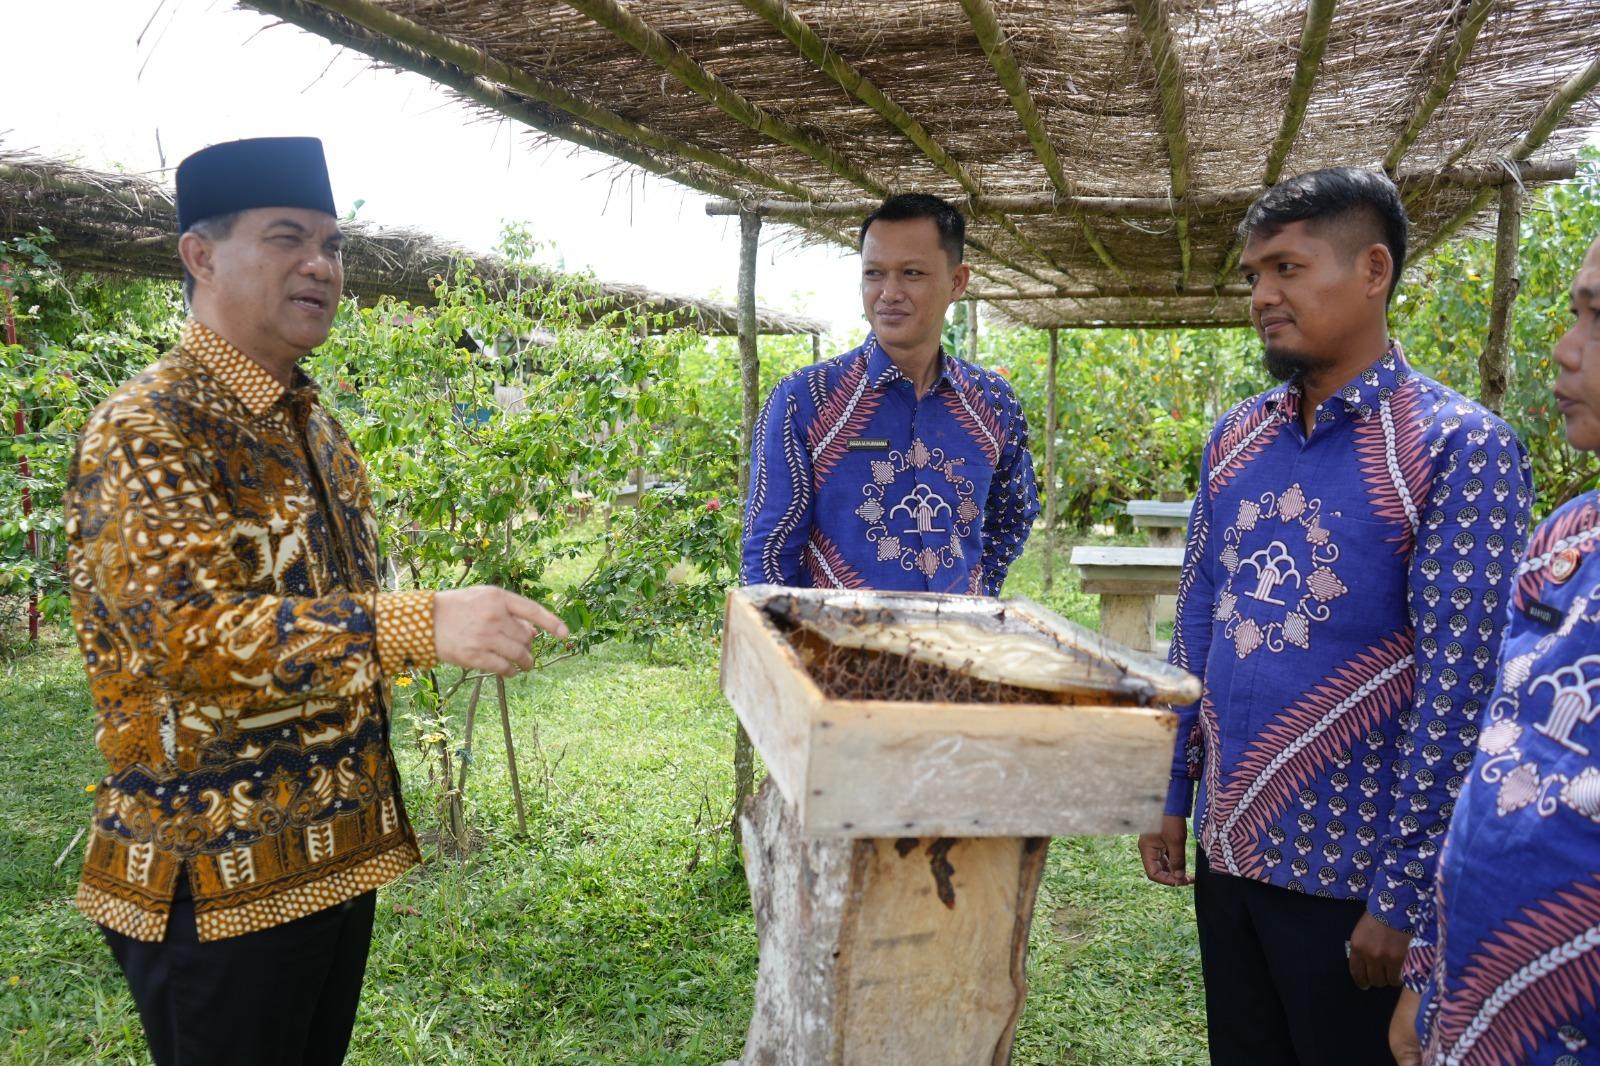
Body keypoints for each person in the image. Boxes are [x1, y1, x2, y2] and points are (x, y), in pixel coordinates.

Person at [64, 136, 567, 1066]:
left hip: (332, 856)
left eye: (334, 245)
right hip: (211, 879)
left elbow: (324, 605)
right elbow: (182, 638)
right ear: (201, 256)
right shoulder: (147, 427)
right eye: (288, 237)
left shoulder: (313, 422)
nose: (322, 266)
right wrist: (422, 621)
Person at [1136, 167, 1533, 1064]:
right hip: (1230, 852)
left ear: (1373, 271)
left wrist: (1403, 899)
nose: (1262, 297)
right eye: (1253, 277)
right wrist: (1171, 788)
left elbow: (1463, 689)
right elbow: (1199, 611)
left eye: (1286, 269)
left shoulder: (1457, 447)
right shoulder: (1236, 439)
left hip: (1353, 888)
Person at [1390, 233, 1600, 1066]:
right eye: (1576, 312)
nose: (1565, 347)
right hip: (1469, 1021)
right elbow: (1492, 764)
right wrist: (1427, 977)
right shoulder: (1567, 540)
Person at [740, 193, 1039, 596]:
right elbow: (769, 552)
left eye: (912, 273)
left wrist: (978, 593)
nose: (889, 292)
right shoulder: (804, 401)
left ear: (957, 281)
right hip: (839, 652)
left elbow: (1013, 515)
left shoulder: (993, 403)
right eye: (874, 273)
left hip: (955, 647)